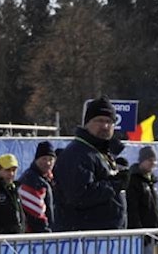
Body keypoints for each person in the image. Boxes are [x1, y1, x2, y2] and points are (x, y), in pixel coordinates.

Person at [52, 97, 126, 231]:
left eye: (109, 122)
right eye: (99, 120)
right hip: (82, 240)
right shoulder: (77, 153)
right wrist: (115, 183)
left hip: (103, 238)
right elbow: (79, 196)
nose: (105, 126)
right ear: (86, 123)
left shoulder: (100, 152)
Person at [18, 141, 57, 234]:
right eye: (44, 159)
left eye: (51, 159)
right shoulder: (32, 180)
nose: (47, 163)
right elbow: (36, 216)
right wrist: (46, 233)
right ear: (36, 160)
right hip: (36, 237)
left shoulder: (48, 178)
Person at [126, 145, 158, 229]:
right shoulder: (133, 180)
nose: (152, 163)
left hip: (154, 232)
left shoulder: (151, 181)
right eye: (150, 160)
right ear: (142, 161)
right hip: (142, 232)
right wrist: (138, 230)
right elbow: (132, 209)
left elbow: (156, 208)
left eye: (154, 161)